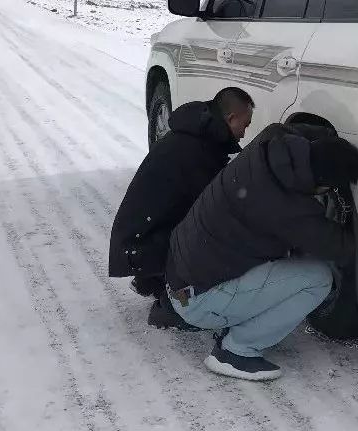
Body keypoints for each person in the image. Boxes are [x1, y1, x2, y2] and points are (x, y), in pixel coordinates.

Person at [165, 123, 358, 381]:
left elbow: (305, 130)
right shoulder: (288, 209)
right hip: (198, 301)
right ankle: (236, 351)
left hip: (181, 277)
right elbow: (343, 248)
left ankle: (235, 319)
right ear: (322, 185)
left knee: (291, 256)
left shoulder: (271, 141)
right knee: (317, 279)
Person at [109, 86, 255, 328]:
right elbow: (211, 211)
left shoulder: (195, 137)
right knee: (213, 237)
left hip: (141, 237)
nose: (244, 133)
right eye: (245, 125)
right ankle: (170, 306)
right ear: (230, 119)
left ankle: (153, 279)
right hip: (139, 244)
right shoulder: (197, 150)